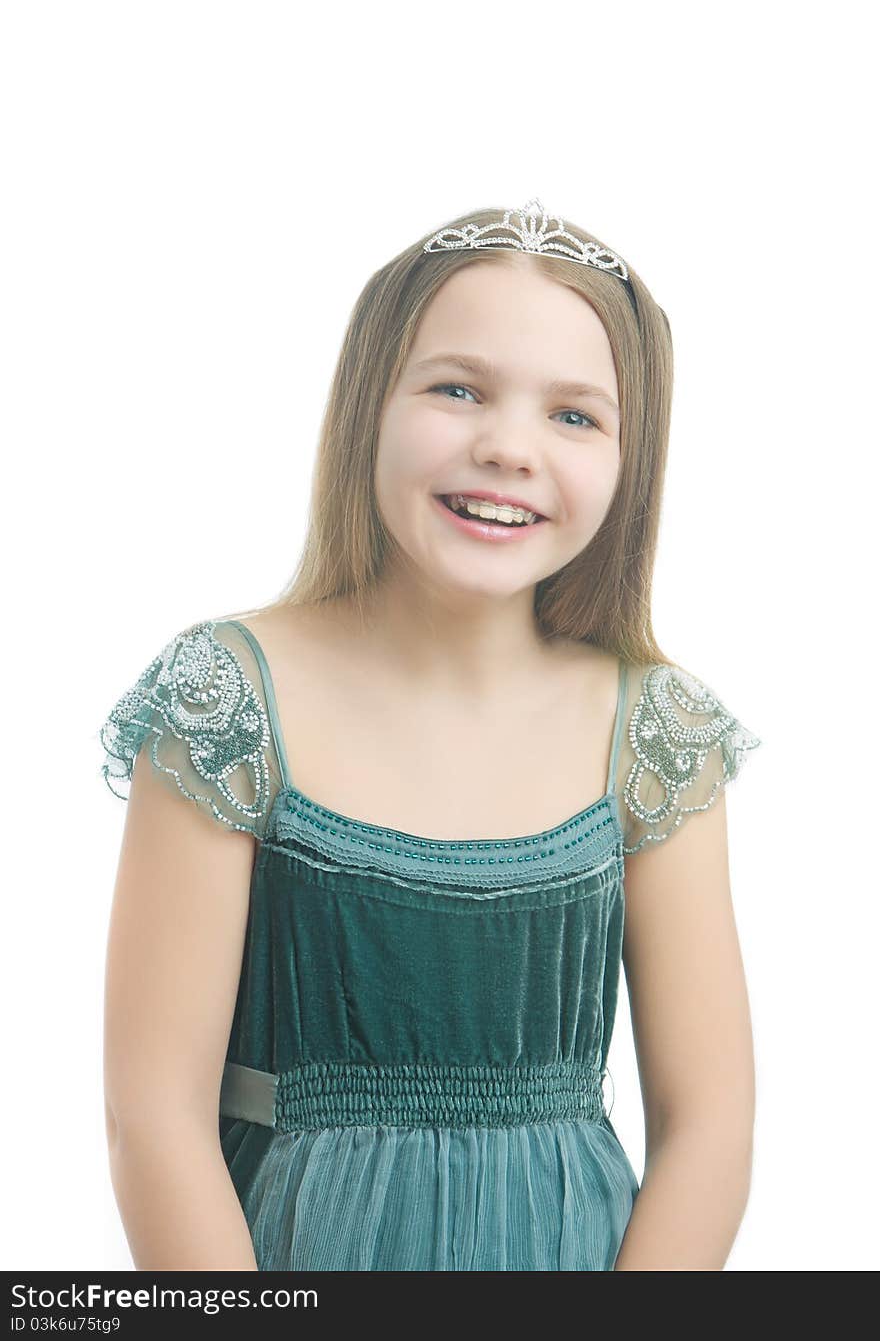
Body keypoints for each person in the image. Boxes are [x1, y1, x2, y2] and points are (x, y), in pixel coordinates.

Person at [98, 198, 762, 1271]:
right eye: (457, 389)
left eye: (576, 416)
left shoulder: (654, 730)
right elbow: (154, 1116)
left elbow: (710, 1128)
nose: (506, 447)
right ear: (370, 401)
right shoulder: (227, 701)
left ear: (631, 462)